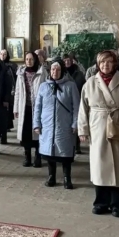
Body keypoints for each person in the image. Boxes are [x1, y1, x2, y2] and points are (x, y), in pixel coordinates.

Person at [78, 50, 119, 217]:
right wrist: (83, 129)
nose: (105, 65)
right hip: (98, 127)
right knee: (100, 167)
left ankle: (118, 205)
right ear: (98, 64)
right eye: (102, 62)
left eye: (109, 62)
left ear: (114, 63)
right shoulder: (90, 83)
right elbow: (83, 108)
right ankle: (101, 202)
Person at [33, 58, 80, 189]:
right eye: (53, 69)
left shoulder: (70, 86)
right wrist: (36, 123)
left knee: (65, 154)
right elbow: (38, 107)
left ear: (62, 71)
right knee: (50, 153)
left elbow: (77, 107)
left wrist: (75, 123)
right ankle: (51, 177)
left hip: (64, 125)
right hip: (47, 125)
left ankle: (67, 178)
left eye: (58, 69)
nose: (55, 72)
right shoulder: (43, 86)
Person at [14, 51, 46, 167]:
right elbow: (17, 91)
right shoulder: (21, 73)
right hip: (25, 107)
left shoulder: (42, 72)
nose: (29, 61)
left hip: (38, 107)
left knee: (38, 132)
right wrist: (16, 108)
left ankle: (38, 157)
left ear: (35, 60)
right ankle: (27, 157)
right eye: (27, 59)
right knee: (26, 133)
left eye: (31, 59)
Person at [64, 52, 86, 155]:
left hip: (78, 100)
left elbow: (83, 86)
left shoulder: (79, 73)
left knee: (77, 123)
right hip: (65, 102)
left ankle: (77, 145)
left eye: (69, 60)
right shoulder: (61, 73)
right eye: (65, 60)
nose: (67, 62)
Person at [0, 48, 17, 144]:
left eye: (4, 54)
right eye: (1, 54)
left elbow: (14, 79)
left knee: (7, 112)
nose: (3, 56)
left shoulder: (12, 65)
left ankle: (5, 133)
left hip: (9, 92)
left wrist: (14, 89)